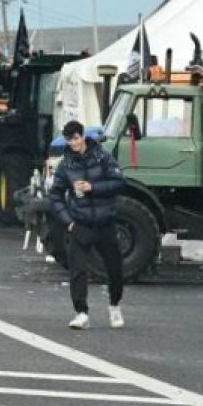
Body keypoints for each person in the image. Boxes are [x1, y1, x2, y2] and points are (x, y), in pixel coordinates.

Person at [49, 120, 126, 329]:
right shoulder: (65, 165)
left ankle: (114, 305)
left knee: (115, 268)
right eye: (69, 140)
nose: (73, 143)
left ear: (82, 136)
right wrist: (68, 222)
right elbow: (55, 195)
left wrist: (93, 187)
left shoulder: (102, 157)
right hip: (80, 223)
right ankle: (81, 313)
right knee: (77, 270)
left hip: (105, 222)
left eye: (75, 138)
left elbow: (120, 182)